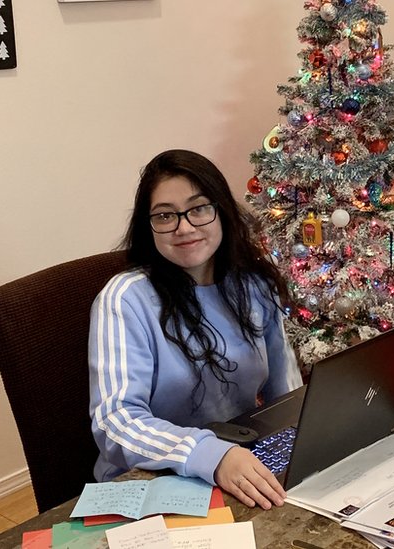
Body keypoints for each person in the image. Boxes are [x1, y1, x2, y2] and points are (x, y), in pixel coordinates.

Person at [88, 149, 302, 510]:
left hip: (241, 461)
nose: (184, 227)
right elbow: (116, 421)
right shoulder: (125, 299)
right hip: (154, 482)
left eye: (199, 208)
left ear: (222, 211)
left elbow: (286, 391)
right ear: (148, 225)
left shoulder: (253, 283)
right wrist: (210, 455)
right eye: (165, 215)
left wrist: (305, 435)